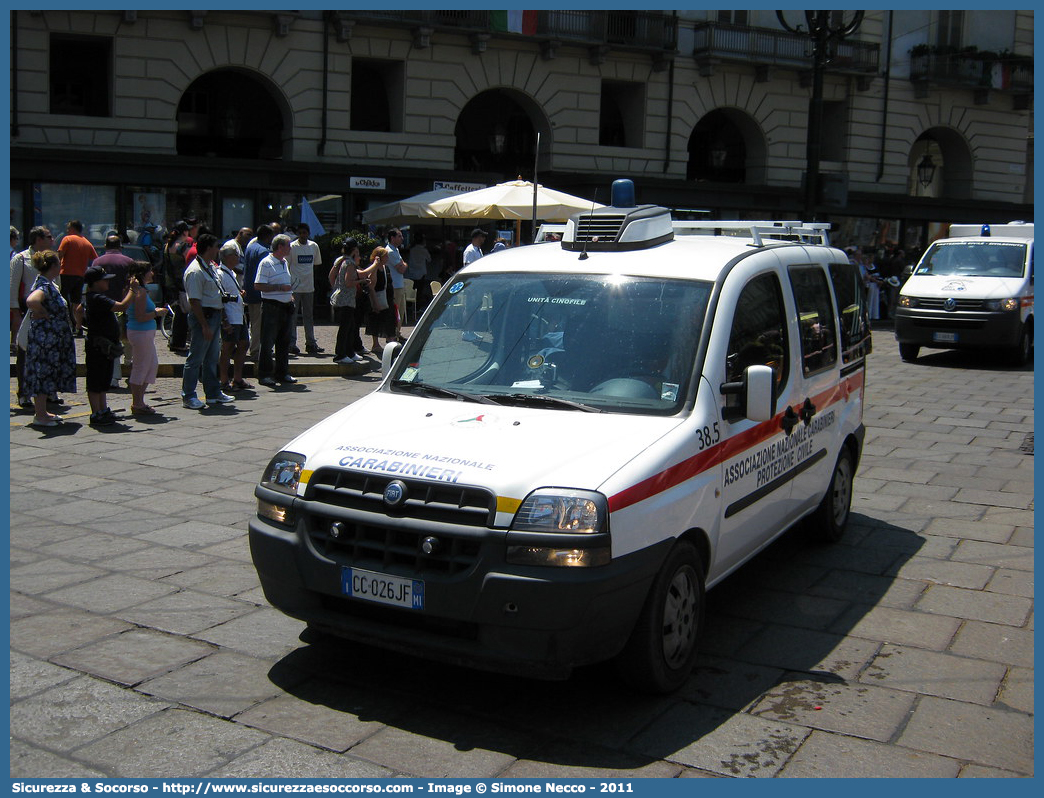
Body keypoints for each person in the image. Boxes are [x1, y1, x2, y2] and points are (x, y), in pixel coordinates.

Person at [180, 233, 235, 409]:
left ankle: (212, 393)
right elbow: (194, 301)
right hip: (204, 317)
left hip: (215, 315)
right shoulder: (195, 271)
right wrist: (204, 325)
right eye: (215, 246)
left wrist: (224, 318)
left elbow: (217, 294)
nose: (218, 250)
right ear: (208, 248)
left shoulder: (210, 267)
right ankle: (188, 395)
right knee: (195, 358)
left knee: (211, 358)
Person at [23, 250, 76, 427]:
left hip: (51, 339)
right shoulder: (44, 286)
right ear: (53, 266)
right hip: (45, 340)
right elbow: (32, 301)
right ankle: (40, 415)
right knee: (43, 374)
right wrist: (44, 313)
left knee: (48, 374)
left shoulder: (49, 284)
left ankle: (43, 411)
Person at [81, 264, 134, 425]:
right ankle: (96, 413)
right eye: (104, 280)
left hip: (106, 344)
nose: (107, 283)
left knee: (104, 379)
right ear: (95, 282)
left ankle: (103, 409)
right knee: (95, 380)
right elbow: (122, 306)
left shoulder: (98, 297)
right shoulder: (95, 297)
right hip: (98, 345)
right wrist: (133, 289)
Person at [11, 226, 53, 404]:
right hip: (26, 311)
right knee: (25, 352)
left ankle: (49, 391)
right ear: (38, 239)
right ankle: (24, 392)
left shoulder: (52, 259)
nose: (52, 240)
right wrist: (15, 314)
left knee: (50, 353)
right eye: (49, 236)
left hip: (48, 311)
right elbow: (12, 288)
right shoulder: (21, 259)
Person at [124, 260, 168, 415]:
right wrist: (156, 313)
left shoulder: (141, 290)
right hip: (140, 332)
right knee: (141, 366)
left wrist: (155, 310)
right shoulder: (140, 292)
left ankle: (139, 400)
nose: (153, 274)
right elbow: (141, 316)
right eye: (150, 271)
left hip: (144, 333)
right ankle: (137, 403)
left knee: (151, 365)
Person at [254, 233, 297, 387]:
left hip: (286, 306)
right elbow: (258, 285)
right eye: (288, 245)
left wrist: (289, 295)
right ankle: (265, 374)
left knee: (284, 341)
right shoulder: (266, 263)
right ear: (280, 247)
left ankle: (282, 372)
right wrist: (279, 288)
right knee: (267, 342)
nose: (290, 248)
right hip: (272, 306)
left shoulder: (284, 262)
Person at [93, 234, 136, 388]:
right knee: (128, 340)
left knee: (112, 341)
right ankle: (131, 370)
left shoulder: (97, 262)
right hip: (125, 305)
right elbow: (133, 283)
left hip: (104, 306)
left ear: (106, 246)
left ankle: (114, 377)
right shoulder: (129, 262)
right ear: (120, 246)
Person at [216, 242, 252, 391]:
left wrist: (239, 294)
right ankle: (224, 380)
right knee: (228, 347)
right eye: (235, 255)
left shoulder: (232, 272)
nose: (238, 258)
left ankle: (237, 378)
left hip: (239, 314)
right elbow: (219, 298)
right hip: (230, 316)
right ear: (227, 257)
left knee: (244, 343)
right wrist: (225, 320)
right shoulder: (220, 274)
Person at [56, 219, 98, 335]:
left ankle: (67, 324)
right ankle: (78, 325)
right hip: (80, 276)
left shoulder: (67, 239)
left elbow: (59, 256)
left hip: (66, 274)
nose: (67, 230)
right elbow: (95, 258)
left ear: (73, 228)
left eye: (69, 228)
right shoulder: (87, 242)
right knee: (76, 302)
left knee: (63, 300)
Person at [328, 238, 366, 364]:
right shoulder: (349, 263)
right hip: (345, 300)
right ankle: (340, 354)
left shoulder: (342, 260)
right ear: (354, 250)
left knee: (350, 326)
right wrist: (361, 281)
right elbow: (348, 282)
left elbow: (331, 276)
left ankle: (350, 352)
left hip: (346, 299)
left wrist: (336, 288)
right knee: (345, 328)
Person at [288, 222, 324, 355]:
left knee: (309, 316)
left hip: (309, 287)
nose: (303, 235)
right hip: (295, 287)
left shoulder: (313, 246)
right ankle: (291, 344)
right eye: (300, 233)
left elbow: (316, 264)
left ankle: (311, 343)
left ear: (308, 233)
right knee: (292, 316)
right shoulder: (292, 247)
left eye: (305, 233)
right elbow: (287, 264)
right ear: (297, 234)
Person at [243, 224, 274, 361]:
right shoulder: (264, 252)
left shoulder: (250, 248)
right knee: (258, 324)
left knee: (253, 323)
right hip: (259, 292)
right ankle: (256, 351)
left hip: (249, 290)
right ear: (268, 236)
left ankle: (256, 349)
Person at [163, 221, 192, 353]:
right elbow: (190, 260)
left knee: (178, 313)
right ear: (185, 232)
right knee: (182, 314)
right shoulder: (182, 246)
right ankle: (178, 343)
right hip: (181, 283)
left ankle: (175, 340)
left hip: (170, 283)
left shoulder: (168, 245)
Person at [363, 245, 395, 356]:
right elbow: (372, 286)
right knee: (375, 320)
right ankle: (375, 344)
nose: (387, 258)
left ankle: (391, 340)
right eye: (385, 256)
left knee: (390, 319)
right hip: (377, 297)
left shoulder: (386, 268)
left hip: (387, 298)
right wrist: (375, 303)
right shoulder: (375, 268)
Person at [460, 228, 486, 342]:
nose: (483, 239)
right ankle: (466, 331)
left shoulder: (478, 250)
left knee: (475, 308)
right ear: (476, 237)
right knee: (470, 308)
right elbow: (468, 267)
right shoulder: (469, 251)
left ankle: (471, 330)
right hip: (472, 285)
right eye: (482, 236)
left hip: (478, 285)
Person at [384, 228, 408, 342]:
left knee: (401, 311)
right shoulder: (390, 252)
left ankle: (397, 332)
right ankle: (392, 334)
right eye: (399, 236)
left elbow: (402, 265)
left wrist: (403, 264)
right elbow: (402, 268)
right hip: (395, 286)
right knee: (395, 312)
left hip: (399, 285)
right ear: (392, 238)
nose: (402, 238)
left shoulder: (396, 250)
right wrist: (403, 264)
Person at [407, 233, 433, 313]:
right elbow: (429, 259)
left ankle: (410, 307)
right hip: (421, 272)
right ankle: (417, 308)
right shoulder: (424, 250)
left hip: (412, 272)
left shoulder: (412, 249)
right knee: (419, 291)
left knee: (412, 290)